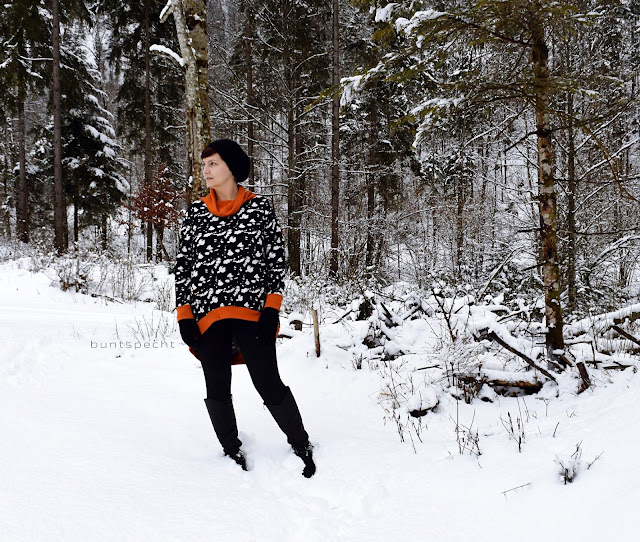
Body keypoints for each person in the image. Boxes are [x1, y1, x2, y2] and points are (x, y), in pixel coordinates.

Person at [174, 139, 316, 478]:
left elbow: (275, 262)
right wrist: (184, 315)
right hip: (207, 316)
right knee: (216, 385)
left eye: (213, 163)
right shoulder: (195, 214)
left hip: (252, 313)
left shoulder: (259, 208)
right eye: (204, 164)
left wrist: (272, 309)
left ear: (232, 167)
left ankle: (300, 442)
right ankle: (230, 449)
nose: (206, 170)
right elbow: (184, 268)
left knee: (268, 382)